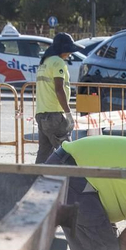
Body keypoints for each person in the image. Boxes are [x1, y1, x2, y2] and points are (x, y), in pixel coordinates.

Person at [34, 32, 76, 163]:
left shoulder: (45, 62)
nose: (69, 54)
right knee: (69, 154)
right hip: (54, 117)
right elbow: (59, 90)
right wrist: (68, 114)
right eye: (69, 51)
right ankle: (73, 183)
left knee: (44, 155)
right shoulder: (58, 62)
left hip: (42, 115)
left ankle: (33, 181)